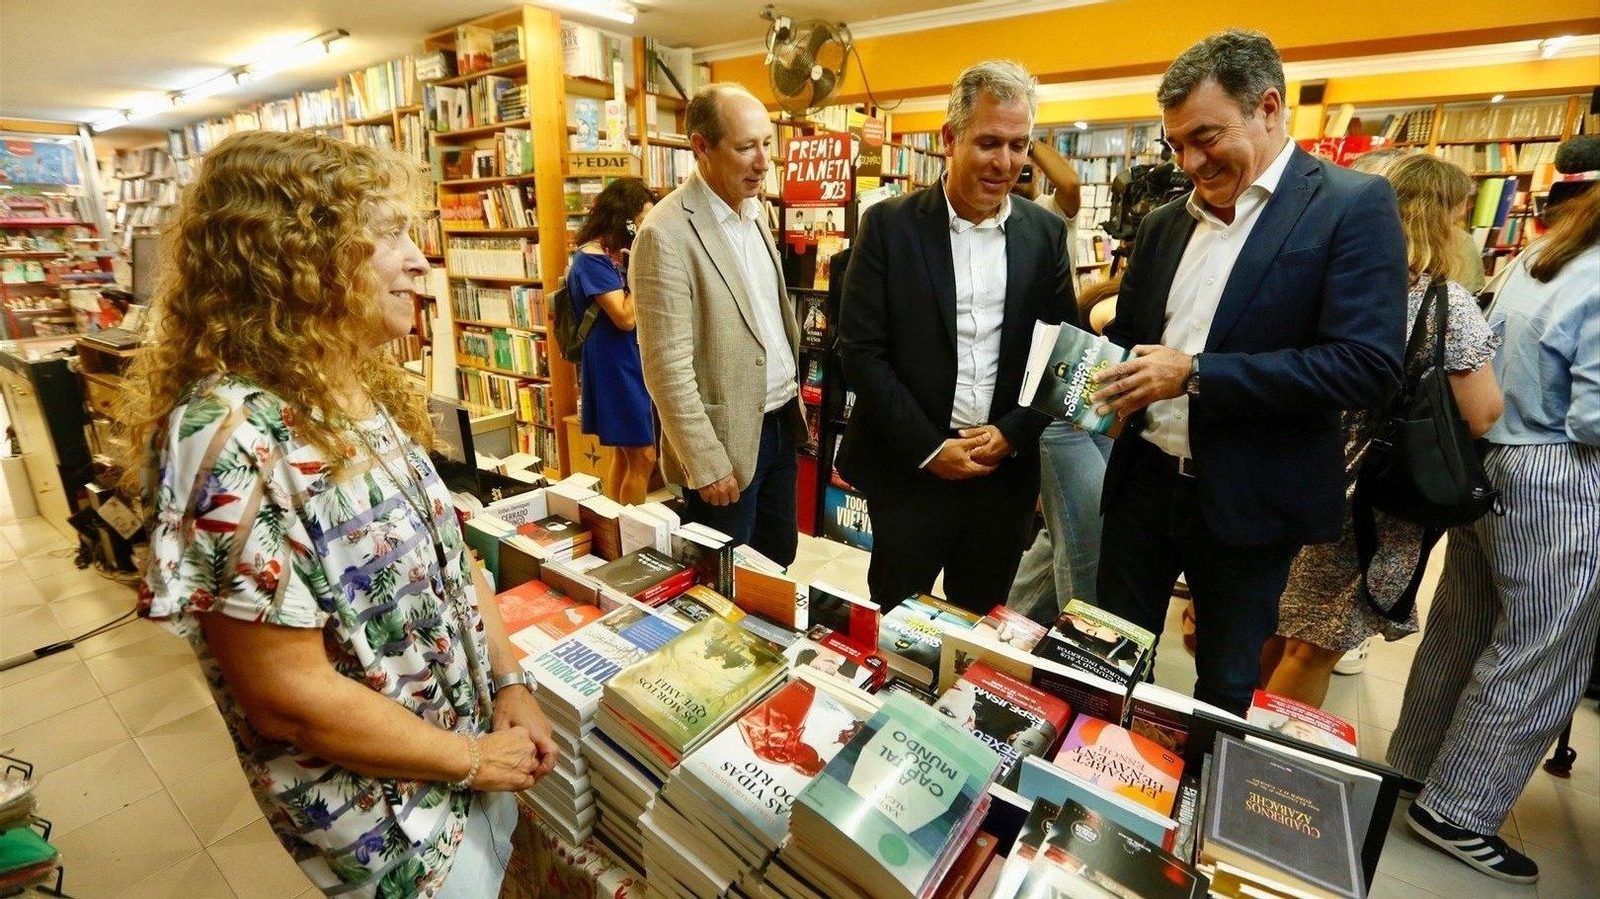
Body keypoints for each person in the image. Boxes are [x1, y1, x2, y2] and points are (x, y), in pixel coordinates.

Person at [122, 131, 557, 897]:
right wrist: (472, 760)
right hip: (395, 834)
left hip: (471, 768)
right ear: (298, 253)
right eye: (388, 234)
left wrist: (509, 683)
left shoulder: (353, 387)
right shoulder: (229, 435)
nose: (420, 261)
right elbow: (289, 699)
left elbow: (451, 556)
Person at [1089, 29, 1408, 715]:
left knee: (1227, 686)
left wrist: (1197, 374)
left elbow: (1367, 366)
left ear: (1268, 108)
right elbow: (1132, 338)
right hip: (1142, 483)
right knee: (1105, 660)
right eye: (1175, 144)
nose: (1191, 161)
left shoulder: (1352, 207)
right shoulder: (1164, 224)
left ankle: (1198, 802)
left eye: (1206, 136)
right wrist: (1101, 381)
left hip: (1249, 498)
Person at [1386, 146, 1600, 885]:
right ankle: (1462, 806)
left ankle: (1413, 766)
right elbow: (1594, 413)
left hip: (1489, 462)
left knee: (1462, 623)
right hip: (1555, 472)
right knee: (1543, 646)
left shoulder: (1539, 253)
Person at [1261, 154, 1503, 707]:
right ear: (1448, 218)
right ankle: (1261, 765)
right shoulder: (1445, 304)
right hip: (1375, 492)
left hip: (1303, 467)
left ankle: (1230, 735)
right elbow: (1481, 411)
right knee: (1314, 645)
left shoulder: (1340, 280)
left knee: (1278, 621)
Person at [838, 59, 1075, 614]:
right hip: (909, 468)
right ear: (950, 138)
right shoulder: (889, 226)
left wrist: (1014, 433)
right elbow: (861, 353)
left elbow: (1064, 351)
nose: (1005, 163)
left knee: (981, 619)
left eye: (1019, 146)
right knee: (899, 618)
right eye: (989, 142)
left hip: (1001, 474)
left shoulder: (1042, 235)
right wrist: (929, 448)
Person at [632, 83, 805, 566]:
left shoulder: (754, 212)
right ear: (701, 147)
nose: (763, 161)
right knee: (723, 583)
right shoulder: (664, 234)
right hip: (722, 448)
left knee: (776, 565)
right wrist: (704, 462)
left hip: (778, 426)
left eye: (767, 144)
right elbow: (666, 368)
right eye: (745, 146)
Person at [1006, 277, 1120, 623]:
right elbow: (1103, 312)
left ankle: (1003, 632)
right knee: (1089, 538)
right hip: (1062, 405)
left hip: (1102, 413)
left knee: (1067, 533)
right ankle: (1085, 654)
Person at [569, 177, 657, 504]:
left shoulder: (612, 255)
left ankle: (615, 527)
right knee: (644, 456)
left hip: (631, 361)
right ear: (624, 218)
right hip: (614, 365)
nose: (646, 227)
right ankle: (632, 534)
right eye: (642, 219)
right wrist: (640, 270)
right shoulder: (591, 259)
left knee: (626, 453)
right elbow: (624, 316)